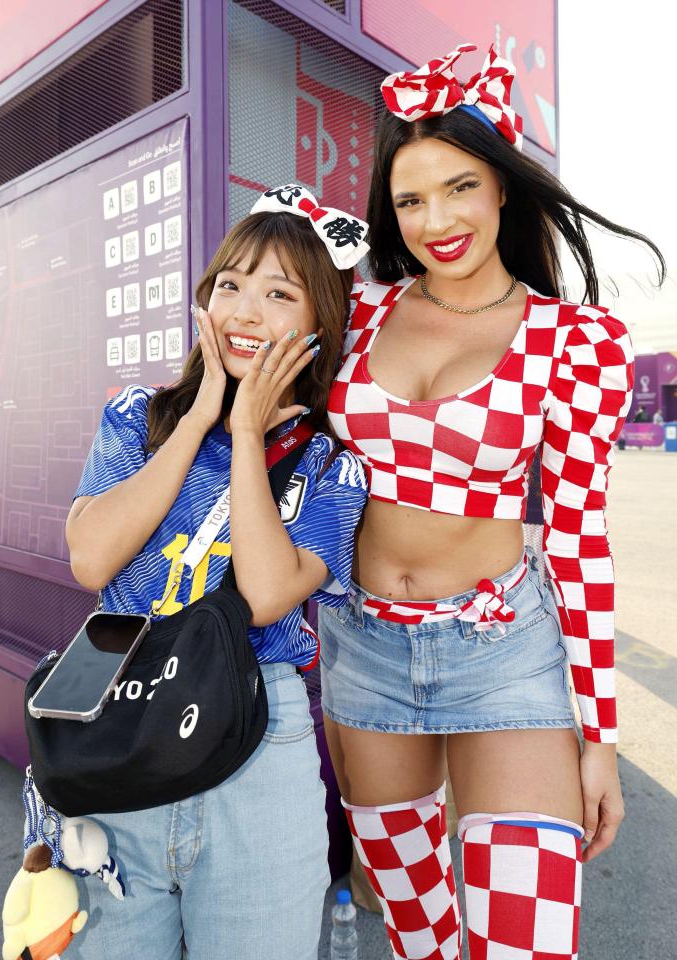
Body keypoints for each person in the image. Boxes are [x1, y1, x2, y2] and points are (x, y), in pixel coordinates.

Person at [318, 44, 665, 959]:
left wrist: (598, 739)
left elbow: (580, 542)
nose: (437, 219)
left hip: (502, 655)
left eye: (460, 187)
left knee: (525, 941)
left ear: (503, 187)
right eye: (410, 199)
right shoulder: (359, 316)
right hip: (363, 651)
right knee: (418, 938)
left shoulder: (574, 341)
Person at [62, 193, 368, 960]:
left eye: (278, 293)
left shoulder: (332, 466)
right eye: (230, 284)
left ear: (318, 322)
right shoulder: (139, 418)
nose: (245, 310)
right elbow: (91, 559)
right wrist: (198, 417)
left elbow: (267, 595)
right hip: (116, 723)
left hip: (257, 743)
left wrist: (242, 433)